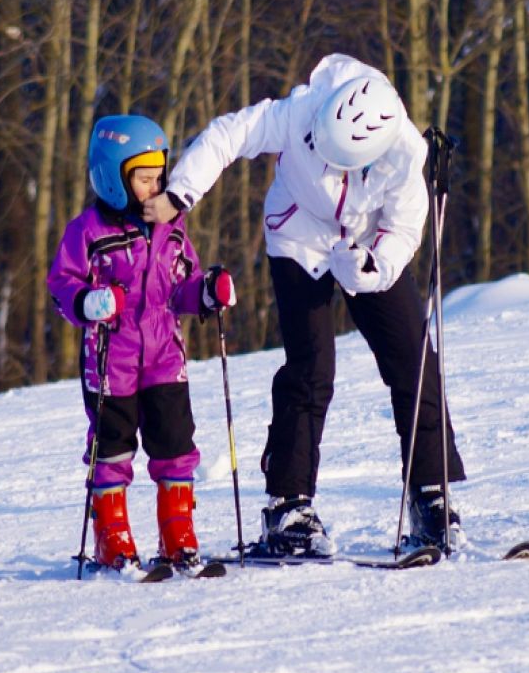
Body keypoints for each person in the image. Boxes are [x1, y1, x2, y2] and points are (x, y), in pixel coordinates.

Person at [142, 54, 467, 556]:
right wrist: (179, 194)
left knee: (413, 360)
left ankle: (431, 496)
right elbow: (229, 134)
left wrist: (373, 266)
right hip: (298, 235)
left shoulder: (403, 152)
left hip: (364, 244)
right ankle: (287, 506)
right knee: (312, 367)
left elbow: (404, 229)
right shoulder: (303, 111)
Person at [48, 114, 237, 571]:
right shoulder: (87, 232)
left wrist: (207, 291)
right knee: (112, 446)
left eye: (159, 178)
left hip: (165, 356)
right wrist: (87, 302)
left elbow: (181, 286)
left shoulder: (170, 228)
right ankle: (112, 537)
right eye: (144, 179)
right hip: (111, 360)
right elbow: (61, 285)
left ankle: (178, 534)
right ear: (112, 179)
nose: (156, 189)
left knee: (175, 442)